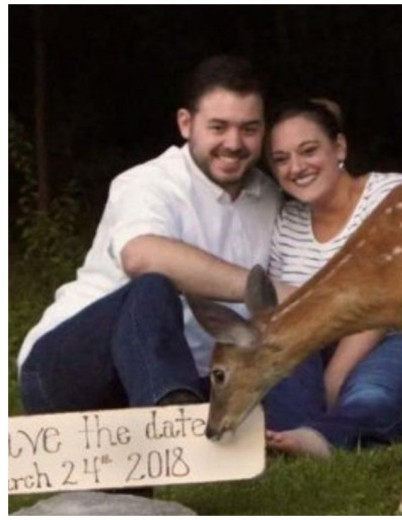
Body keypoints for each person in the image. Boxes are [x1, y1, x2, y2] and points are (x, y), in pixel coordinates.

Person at [17, 55, 285, 414]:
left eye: (249, 129)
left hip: (189, 376)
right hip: (67, 370)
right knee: (153, 284)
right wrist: (261, 288)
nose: (234, 143)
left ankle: (179, 407)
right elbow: (141, 255)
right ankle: (172, 424)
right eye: (218, 127)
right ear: (186, 124)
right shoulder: (148, 182)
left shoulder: (269, 197)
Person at [261, 98, 402, 457]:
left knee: (372, 391)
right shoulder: (287, 223)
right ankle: (290, 436)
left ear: (339, 147)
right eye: (281, 159)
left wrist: (332, 380)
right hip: (327, 347)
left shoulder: (389, 194)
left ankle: (324, 438)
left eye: (308, 150)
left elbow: (383, 305)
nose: (296, 167)